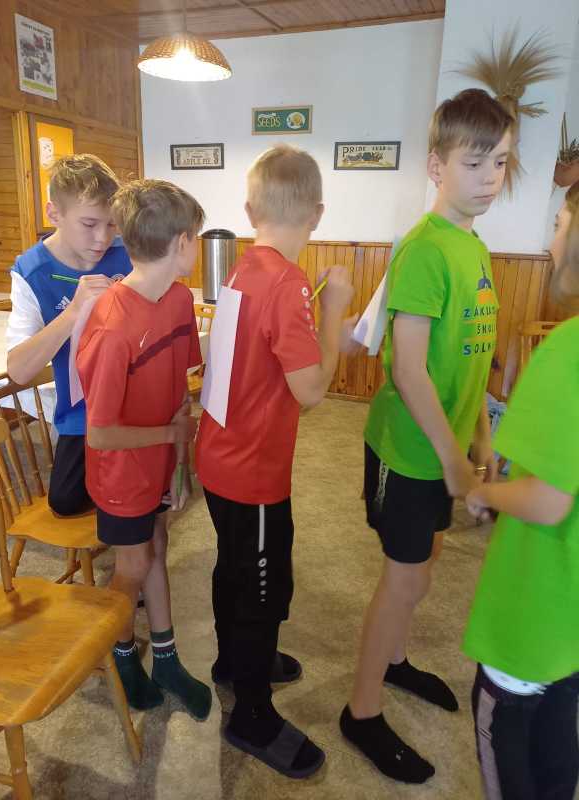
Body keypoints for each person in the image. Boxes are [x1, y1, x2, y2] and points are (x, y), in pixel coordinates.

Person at [340, 88, 514, 784]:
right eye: (475, 163)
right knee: (404, 578)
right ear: (437, 166)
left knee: (427, 563)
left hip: (445, 447)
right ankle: (361, 711)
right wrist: (452, 461)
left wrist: (480, 437)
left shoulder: (473, 247)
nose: (490, 178)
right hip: (409, 451)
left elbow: (473, 354)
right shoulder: (423, 250)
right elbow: (408, 370)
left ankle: (396, 659)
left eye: (500, 163)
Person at [195, 145, 354, 778]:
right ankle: (252, 714)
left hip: (219, 457)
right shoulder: (289, 282)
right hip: (253, 470)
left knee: (234, 566)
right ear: (317, 213)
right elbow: (311, 391)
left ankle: (236, 664)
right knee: (262, 588)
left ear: (248, 210)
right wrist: (335, 309)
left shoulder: (242, 268)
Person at [76, 179, 211, 719]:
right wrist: (171, 438)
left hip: (157, 463)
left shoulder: (178, 299)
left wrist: (178, 465)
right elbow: (100, 434)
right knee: (133, 563)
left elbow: (179, 386)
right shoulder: (112, 326)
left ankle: (167, 659)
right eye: (196, 236)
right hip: (120, 474)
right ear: (181, 243)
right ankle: (120, 652)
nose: (196, 244)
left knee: (157, 547)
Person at [462, 180, 579, 800]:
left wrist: (485, 494)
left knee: (512, 759)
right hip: (569, 632)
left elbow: (547, 498)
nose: (551, 240)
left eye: (559, 224)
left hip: (530, 622)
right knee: (558, 761)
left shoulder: (566, 352)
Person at [6, 154, 131, 516]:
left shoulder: (128, 253)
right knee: (65, 501)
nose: (102, 238)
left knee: (136, 492)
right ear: (54, 214)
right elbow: (19, 370)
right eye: (89, 224)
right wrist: (74, 313)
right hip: (81, 412)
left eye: (112, 224)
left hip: (135, 405)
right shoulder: (31, 271)